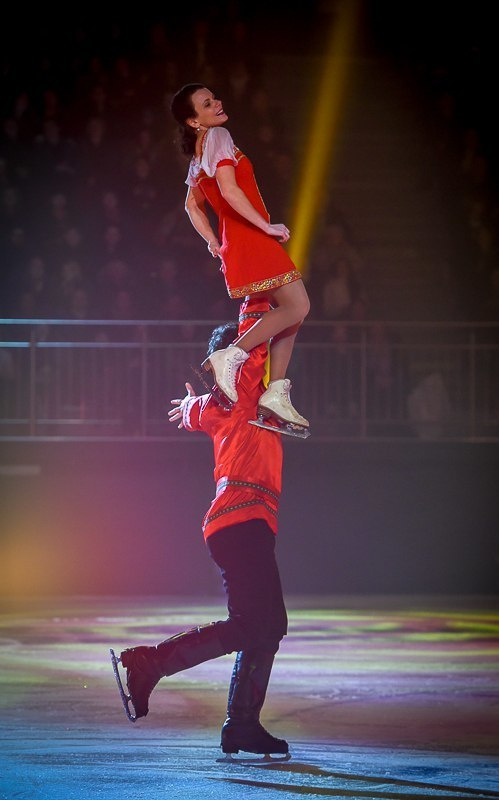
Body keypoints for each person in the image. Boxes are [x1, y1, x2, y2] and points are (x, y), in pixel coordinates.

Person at [111, 296, 289, 758]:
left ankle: (242, 725)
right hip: (240, 522)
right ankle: (152, 664)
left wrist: (193, 405)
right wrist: (261, 285)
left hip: (243, 524)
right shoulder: (243, 390)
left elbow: (198, 410)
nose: (253, 358)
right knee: (255, 625)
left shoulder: (227, 402)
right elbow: (258, 334)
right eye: (245, 353)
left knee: (267, 626)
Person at [170, 83, 310, 433]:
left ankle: (276, 390)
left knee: (290, 313)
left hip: (238, 242)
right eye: (206, 103)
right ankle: (231, 353)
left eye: (214, 97)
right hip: (251, 237)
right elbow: (229, 190)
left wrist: (213, 242)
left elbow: (191, 205)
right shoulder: (218, 136)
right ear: (194, 121)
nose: (216, 103)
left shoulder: (197, 155)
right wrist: (267, 225)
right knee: (298, 306)